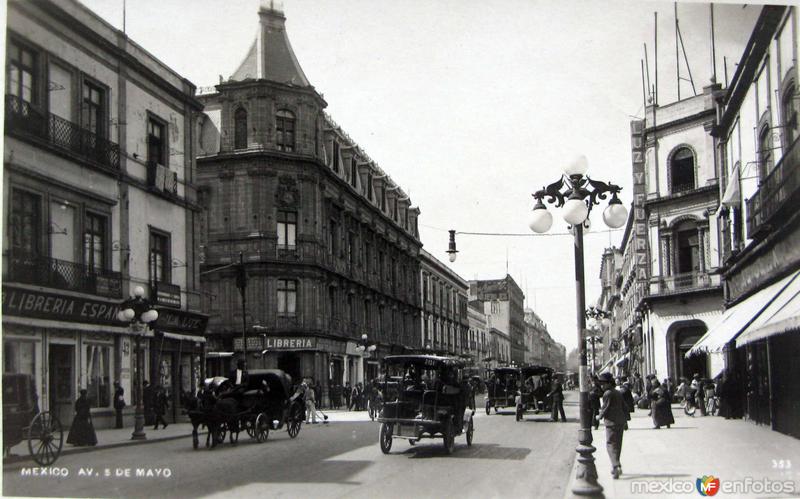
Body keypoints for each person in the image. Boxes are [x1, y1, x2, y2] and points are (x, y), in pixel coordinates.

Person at [597, 372, 628, 479]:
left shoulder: (607, 394)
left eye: (603, 383)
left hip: (611, 423)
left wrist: (599, 416)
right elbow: (625, 407)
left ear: (609, 383)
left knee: (610, 444)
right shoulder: (618, 392)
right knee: (618, 445)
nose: (602, 386)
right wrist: (626, 421)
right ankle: (616, 465)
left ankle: (615, 466)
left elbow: (605, 408)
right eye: (601, 383)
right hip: (620, 422)